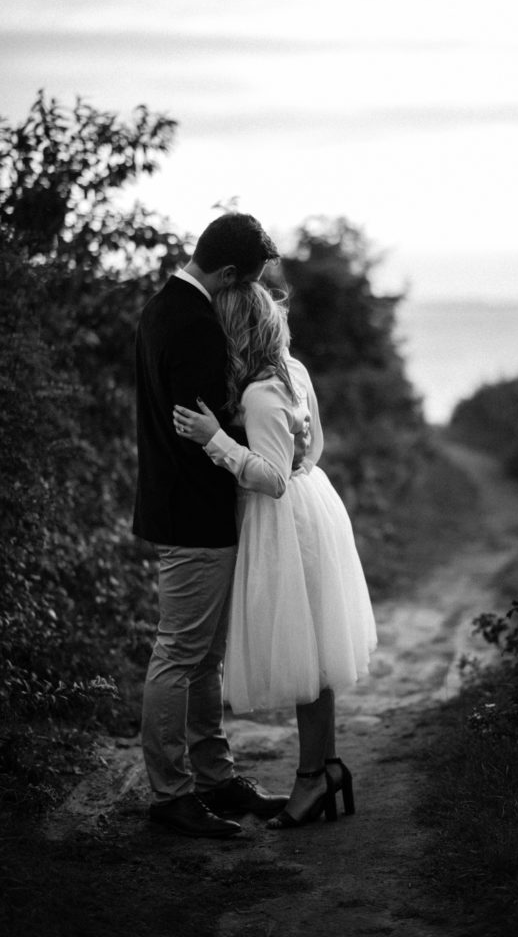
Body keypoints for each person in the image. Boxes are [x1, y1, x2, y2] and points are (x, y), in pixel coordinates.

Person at [173, 281, 377, 828]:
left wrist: (216, 438)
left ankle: (313, 778)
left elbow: (272, 479)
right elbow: (314, 449)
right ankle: (326, 768)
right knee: (316, 651)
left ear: (236, 332)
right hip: (314, 507)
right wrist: (295, 465)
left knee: (304, 650)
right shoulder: (294, 371)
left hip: (283, 519)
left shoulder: (259, 395)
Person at [134, 212, 303, 839]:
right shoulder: (197, 325)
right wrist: (268, 434)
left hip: (180, 506)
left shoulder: (159, 309)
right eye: (248, 280)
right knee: (181, 654)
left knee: (204, 657)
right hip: (194, 515)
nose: (250, 293)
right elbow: (199, 429)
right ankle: (172, 796)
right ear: (228, 273)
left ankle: (215, 778)